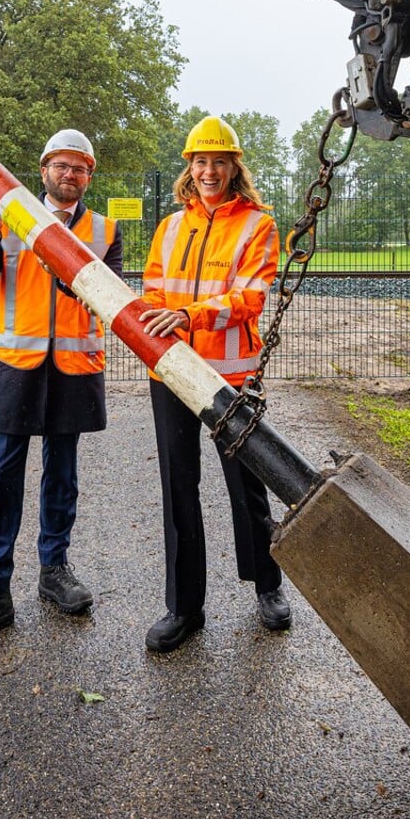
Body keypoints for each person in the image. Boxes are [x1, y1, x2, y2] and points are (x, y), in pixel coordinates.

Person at [0, 128, 123, 650]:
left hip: (73, 366)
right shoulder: (9, 218)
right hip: (16, 367)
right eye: (61, 166)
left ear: (90, 175)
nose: (70, 175)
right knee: (2, 479)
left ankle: (55, 570)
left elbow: (103, 293)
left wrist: (60, 254)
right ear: (43, 169)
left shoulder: (104, 230)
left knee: (61, 476)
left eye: (80, 167)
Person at [136, 116, 289, 654]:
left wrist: (187, 315)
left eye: (218, 161)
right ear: (190, 168)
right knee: (179, 488)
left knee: (246, 483)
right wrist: (165, 323)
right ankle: (184, 607)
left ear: (234, 168)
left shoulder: (258, 226)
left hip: (229, 377)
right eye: (200, 161)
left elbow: (249, 298)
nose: (208, 170)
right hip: (172, 372)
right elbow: (153, 294)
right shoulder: (170, 226)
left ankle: (266, 585)